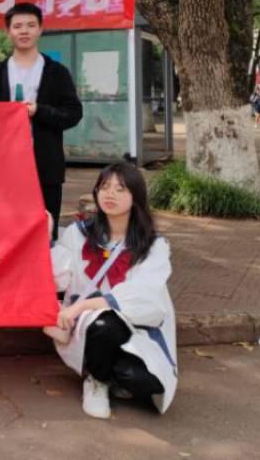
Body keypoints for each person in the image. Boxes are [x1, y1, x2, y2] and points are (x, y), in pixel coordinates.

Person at [44, 162, 177, 419]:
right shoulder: (77, 234)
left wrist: (81, 306)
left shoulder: (153, 245)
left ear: (136, 196)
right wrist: (46, 239)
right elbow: (58, 278)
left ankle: (106, 367)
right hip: (87, 325)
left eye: (120, 188)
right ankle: (96, 380)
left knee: (144, 382)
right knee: (105, 324)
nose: (110, 194)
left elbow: (141, 296)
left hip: (136, 328)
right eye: (104, 187)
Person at [0, 2, 82, 239]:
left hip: (46, 166)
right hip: (4, 167)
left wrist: (39, 111)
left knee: (45, 232)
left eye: (30, 25)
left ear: (40, 29)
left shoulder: (56, 72)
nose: (24, 31)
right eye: (17, 26)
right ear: (8, 31)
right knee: (4, 231)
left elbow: (73, 113)